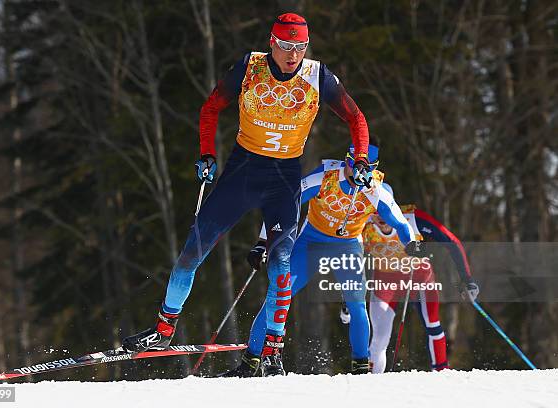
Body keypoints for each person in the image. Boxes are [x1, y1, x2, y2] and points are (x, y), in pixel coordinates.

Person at [121, 13, 372, 376]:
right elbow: (210, 108)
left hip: (284, 177)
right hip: (243, 170)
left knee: (281, 266)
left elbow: (357, 118)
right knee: (193, 251)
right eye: (286, 46)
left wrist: (361, 157)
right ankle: (163, 329)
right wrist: (207, 153)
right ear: (272, 42)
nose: (293, 55)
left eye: (300, 47)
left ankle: (271, 350)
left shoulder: (319, 75)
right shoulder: (250, 66)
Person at [222, 144, 424, 377]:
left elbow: (400, 223)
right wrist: (262, 242)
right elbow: (284, 204)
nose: (357, 173)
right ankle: (251, 361)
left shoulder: (376, 191)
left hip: (347, 246)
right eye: (351, 164)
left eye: (364, 169)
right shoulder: (325, 177)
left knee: (357, 304)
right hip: (311, 241)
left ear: (373, 169)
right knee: (279, 292)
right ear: (346, 160)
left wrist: (412, 245)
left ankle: (360, 367)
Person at [361, 183, 479, 373]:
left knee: (433, 324)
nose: (381, 218)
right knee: (379, 337)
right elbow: (349, 259)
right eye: (375, 211)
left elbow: (451, 242)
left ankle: (440, 373)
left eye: (384, 210)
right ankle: (368, 379)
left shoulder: (412, 219)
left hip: (419, 278)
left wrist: (467, 279)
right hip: (385, 282)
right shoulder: (362, 224)